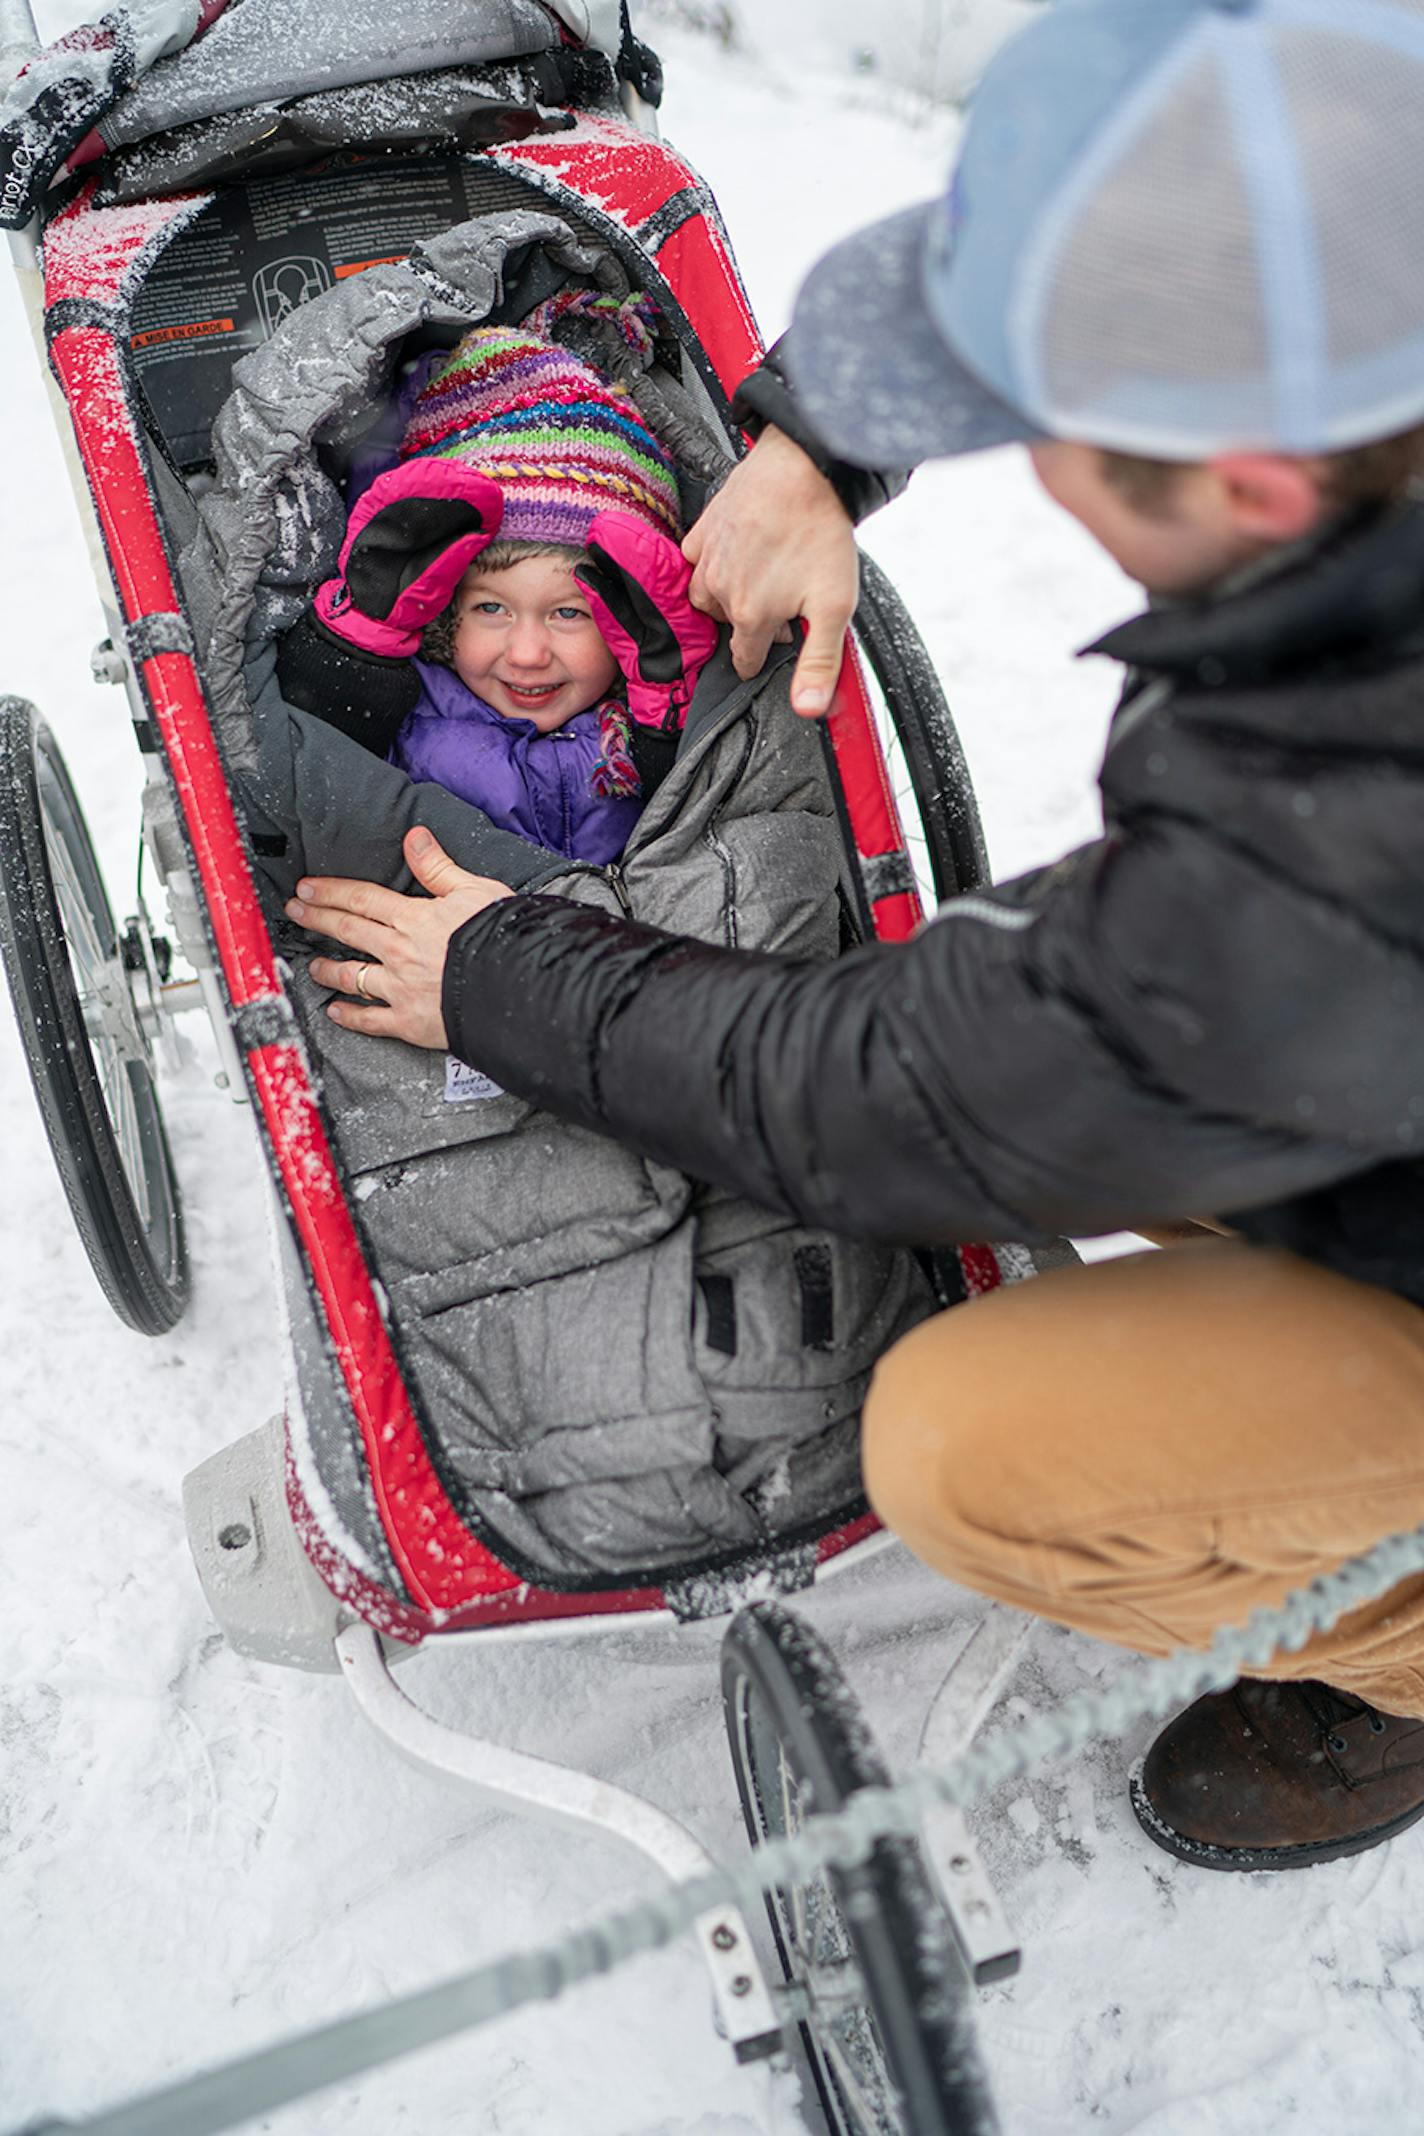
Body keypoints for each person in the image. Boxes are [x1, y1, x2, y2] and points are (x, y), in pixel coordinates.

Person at [281, 0, 1424, 1870]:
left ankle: (1397, 1653)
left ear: (1251, 494)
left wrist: (504, 972)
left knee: (965, 1444)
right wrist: (810, 447)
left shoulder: (1321, 852)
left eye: (1032, 415)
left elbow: (886, 1094)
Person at [273, 324, 714, 867]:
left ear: (636, 612)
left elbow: (704, 825)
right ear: (438, 601)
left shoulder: (641, 727)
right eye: (491, 607)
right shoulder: (402, 705)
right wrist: (358, 644)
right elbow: (304, 774)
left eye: (569, 612)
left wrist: (668, 712)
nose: (528, 654)